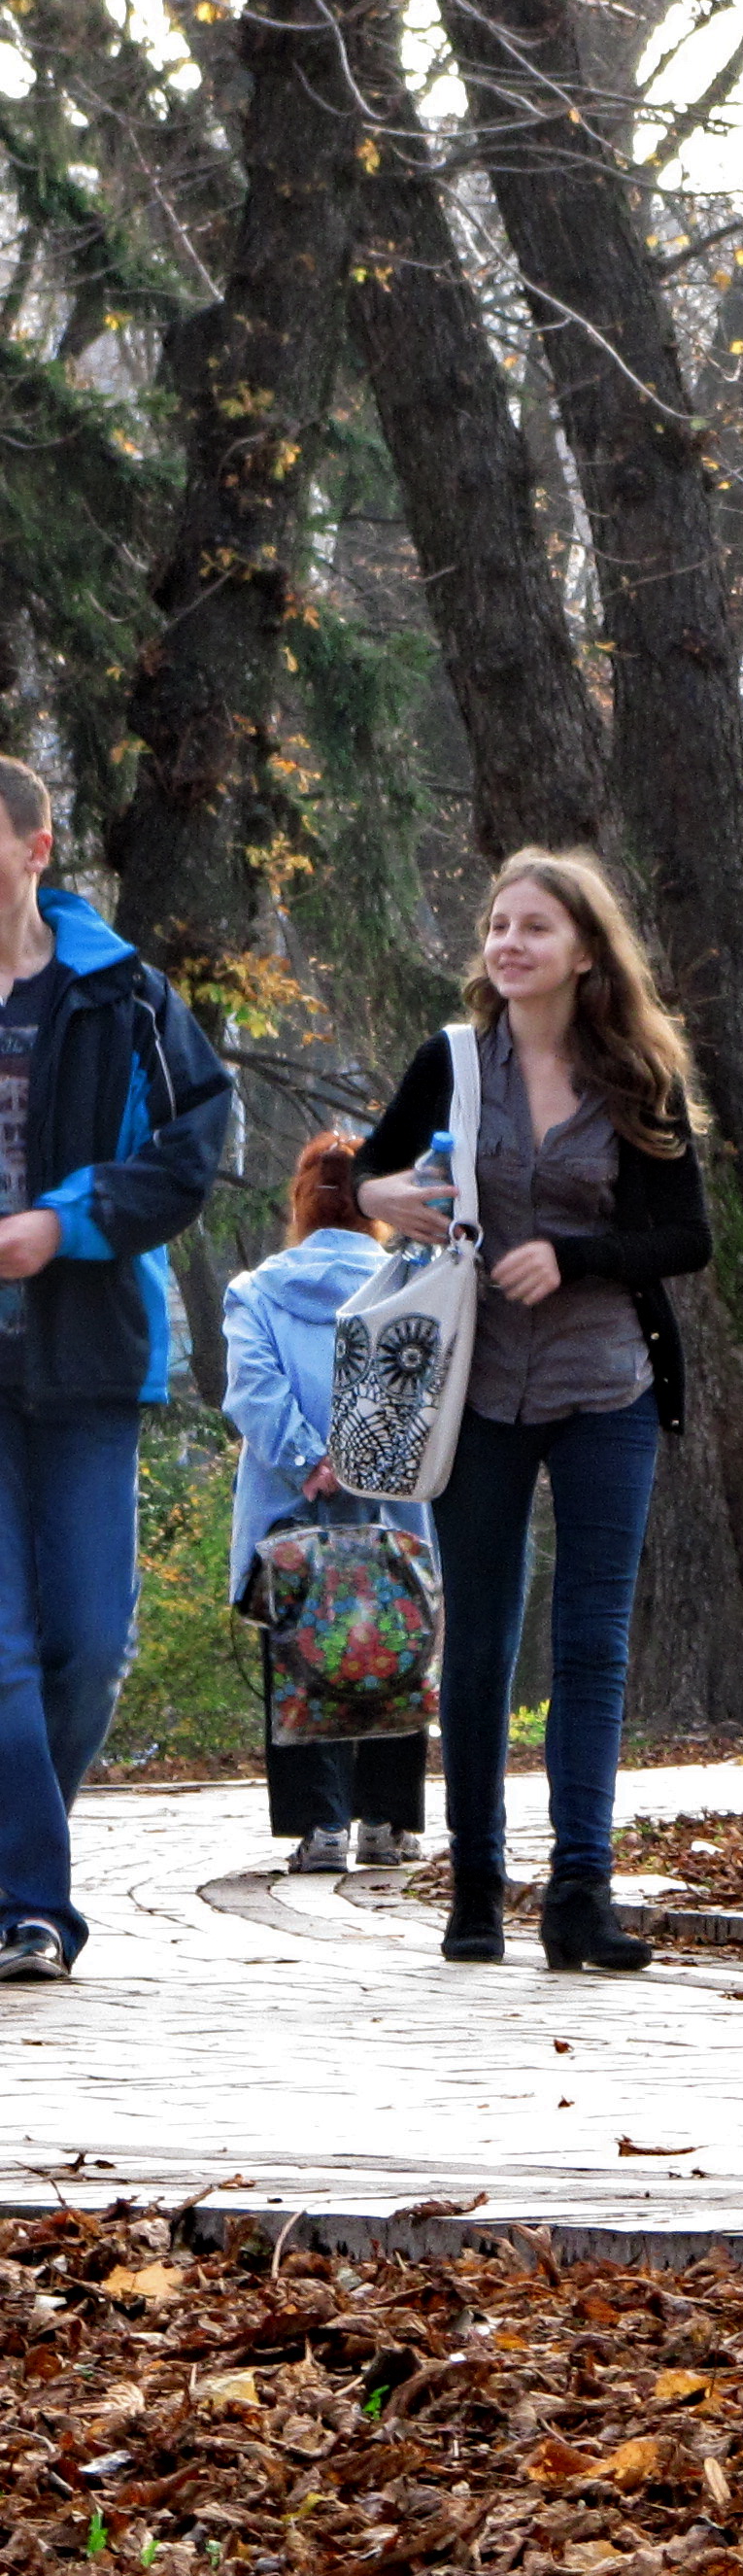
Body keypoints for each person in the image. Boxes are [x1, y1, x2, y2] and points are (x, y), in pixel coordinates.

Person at [357, 848, 706, 1973]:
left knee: (592, 1643)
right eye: (498, 927)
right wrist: (381, 1196)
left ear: (585, 951)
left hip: (606, 1385)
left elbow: (683, 1236)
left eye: (534, 929)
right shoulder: (453, 1063)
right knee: (485, 1638)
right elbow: (364, 1175)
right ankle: (473, 1885)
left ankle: (580, 1895)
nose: (508, 944)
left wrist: (574, 1256)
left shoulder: (637, 1075)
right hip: (476, 1394)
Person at [0, 753, 236, 1984]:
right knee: (0, 1653)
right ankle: (34, 1906)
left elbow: (197, 1143)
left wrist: (64, 1224)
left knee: (87, 1645)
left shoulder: (123, 992)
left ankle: (18, 1849)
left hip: (88, 1355)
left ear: (37, 849)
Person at [222, 1133, 435, 1873]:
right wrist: (361, 1457)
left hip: (291, 1514)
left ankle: (318, 1829)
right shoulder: (407, 1283)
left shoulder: (257, 1291)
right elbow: (415, 1382)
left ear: (300, 1204)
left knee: (299, 1654)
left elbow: (253, 1388)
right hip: (387, 1507)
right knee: (394, 1643)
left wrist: (310, 1461)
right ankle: (386, 1821)